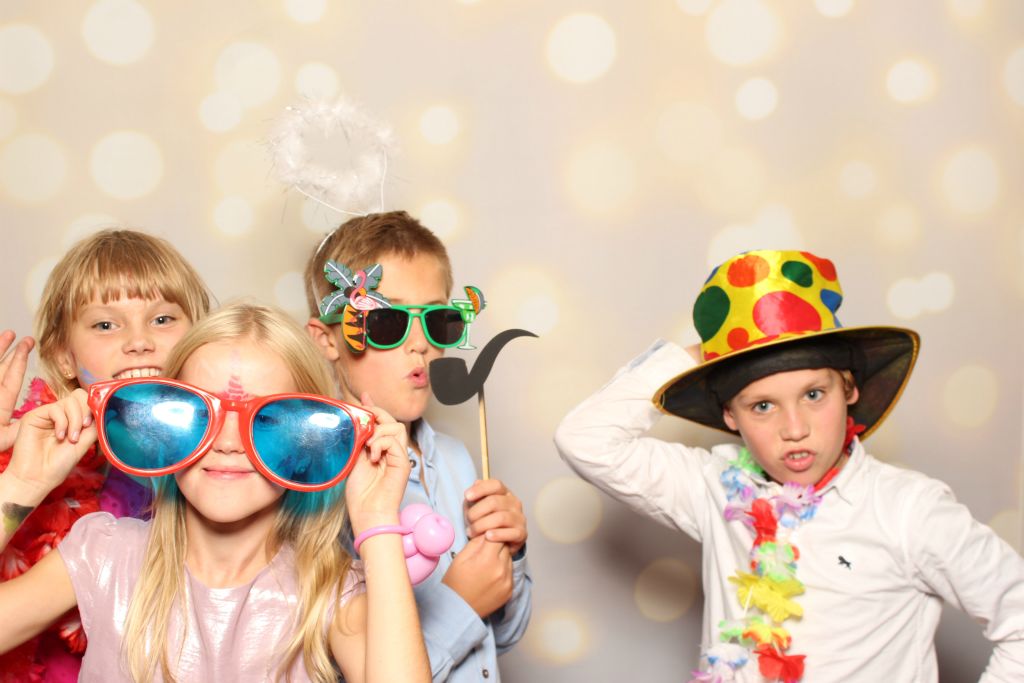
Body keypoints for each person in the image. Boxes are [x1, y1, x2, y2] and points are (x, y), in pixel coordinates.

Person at [555, 249, 1024, 682]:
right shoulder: (716, 490)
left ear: (849, 390)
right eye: (762, 406)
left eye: (814, 395)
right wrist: (705, 355)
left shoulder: (908, 509)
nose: (794, 428)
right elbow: (584, 439)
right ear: (729, 415)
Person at [0, 302, 430, 682]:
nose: (227, 442)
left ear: (309, 441)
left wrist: (377, 521)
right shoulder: (102, 555)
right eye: (198, 412)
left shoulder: (330, 595)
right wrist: (22, 484)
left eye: (267, 419)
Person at [304, 211, 532, 681]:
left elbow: (501, 638)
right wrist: (460, 604)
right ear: (327, 339)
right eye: (387, 322)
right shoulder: (317, 479)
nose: (420, 345)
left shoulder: (455, 457)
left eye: (438, 320)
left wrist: (511, 555)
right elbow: (335, 669)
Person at [0, 228, 211, 681]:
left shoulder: (237, 462)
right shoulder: (43, 463)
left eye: (162, 319)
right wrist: (18, 485)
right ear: (63, 358)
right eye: (105, 325)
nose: (139, 341)